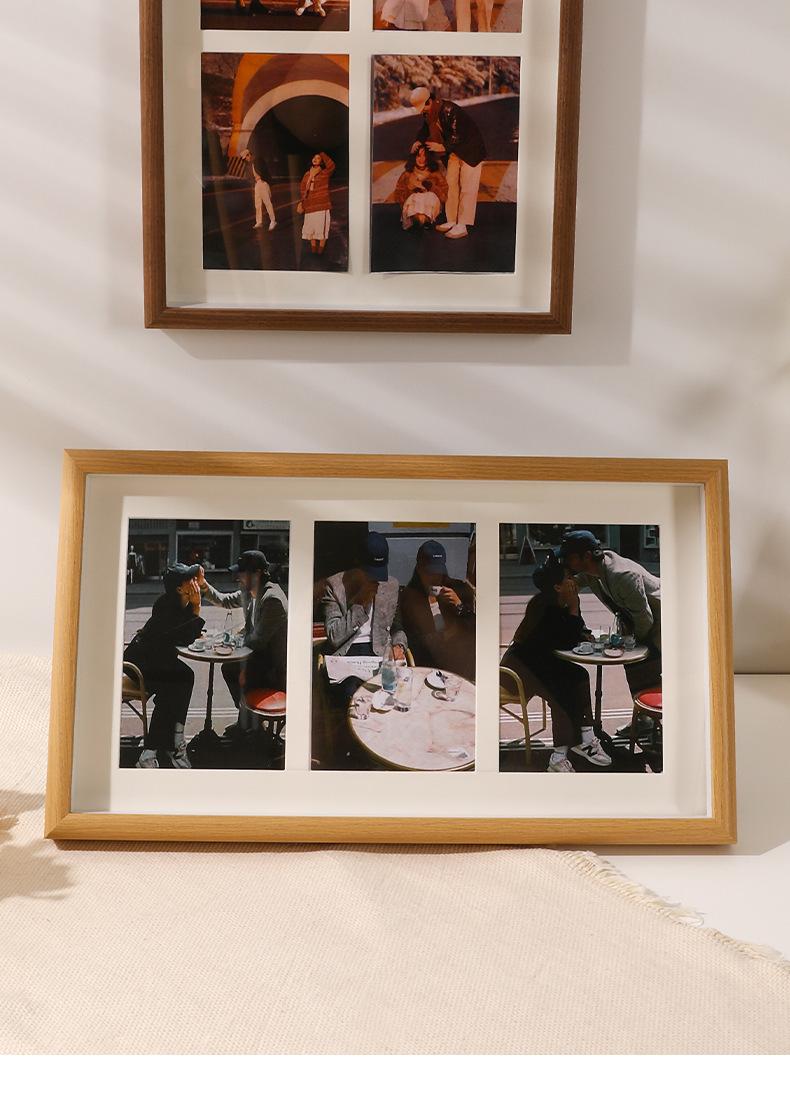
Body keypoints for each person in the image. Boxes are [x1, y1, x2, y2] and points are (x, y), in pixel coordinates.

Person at [501, 556, 611, 772]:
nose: (574, 580)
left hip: (539, 666)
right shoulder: (543, 607)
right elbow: (566, 641)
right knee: (562, 693)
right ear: (557, 587)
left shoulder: (559, 602)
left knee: (579, 675)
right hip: (517, 672)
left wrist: (581, 627)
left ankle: (586, 737)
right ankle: (558, 757)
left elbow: (573, 633)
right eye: (569, 577)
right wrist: (575, 606)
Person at [559, 530, 662, 695]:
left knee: (650, 681)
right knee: (636, 676)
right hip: (638, 623)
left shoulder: (622, 576)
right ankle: (640, 710)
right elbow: (574, 585)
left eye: (570, 558)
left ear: (587, 556)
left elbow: (645, 620)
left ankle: (649, 710)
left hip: (658, 624)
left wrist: (629, 642)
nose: (566, 562)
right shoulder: (592, 570)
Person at [123, 563, 205, 769]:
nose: (194, 582)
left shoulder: (176, 601)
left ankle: (171, 742)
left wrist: (196, 598)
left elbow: (185, 633)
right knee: (175, 686)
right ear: (179, 588)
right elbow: (187, 636)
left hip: (154, 660)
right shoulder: (167, 607)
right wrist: (196, 607)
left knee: (184, 678)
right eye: (190, 579)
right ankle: (156, 750)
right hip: (139, 665)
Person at [198, 550, 288, 734]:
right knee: (229, 668)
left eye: (242, 573)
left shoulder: (273, 600)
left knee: (235, 670)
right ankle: (247, 719)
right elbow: (224, 600)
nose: (237, 577)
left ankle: (251, 724)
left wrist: (230, 644)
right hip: (259, 659)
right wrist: (203, 585)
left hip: (273, 669)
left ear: (257, 574)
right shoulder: (250, 592)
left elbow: (257, 641)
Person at [409, 87, 486, 240]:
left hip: (471, 151)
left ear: (430, 101)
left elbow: (458, 134)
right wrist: (418, 140)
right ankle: (452, 220)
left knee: (467, 187)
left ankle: (463, 224)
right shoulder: (430, 114)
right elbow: (425, 129)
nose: (422, 112)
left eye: (423, 107)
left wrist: (442, 147)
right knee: (450, 185)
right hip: (455, 151)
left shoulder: (450, 110)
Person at [322, 532, 407, 659]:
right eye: (369, 573)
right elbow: (334, 637)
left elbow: (396, 626)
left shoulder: (391, 585)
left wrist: (399, 645)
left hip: (381, 651)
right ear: (358, 565)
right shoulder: (335, 586)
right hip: (347, 652)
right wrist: (359, 604)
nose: (375, 579)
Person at [400, 540, 475, 680]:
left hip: (459, 662)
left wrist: (459, 606)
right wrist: (444, 636)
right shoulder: (408, 598)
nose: (435, 578)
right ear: (419, 570)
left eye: (438, 572)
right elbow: (414, 641)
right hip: (429, 662)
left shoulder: (459, 590)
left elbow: (475, 629)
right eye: (430, 573)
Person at [393, 142, 449, 230]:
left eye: (425, 156)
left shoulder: (436, 174)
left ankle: (423, 222)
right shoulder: (407, 175)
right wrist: (410, 190)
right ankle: (418, 222)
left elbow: (444, 196)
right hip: (413, 209)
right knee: (416, 197)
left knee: (429, 196)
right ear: (414, 157)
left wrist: (432, 187)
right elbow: (398, 196)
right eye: (419, 156)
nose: (422, 159)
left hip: (430, 208)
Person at [299, 152, 336, 255]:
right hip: (310, 205)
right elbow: (302, 189)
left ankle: (320, 251)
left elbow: (332, 165)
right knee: (311, 229)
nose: (315, 159)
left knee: (322, 228)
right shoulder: (307, 174)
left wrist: (322, 153)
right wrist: (303, 202)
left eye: (318, 158)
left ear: (322, 161)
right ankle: (313, 250)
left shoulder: (325, 173)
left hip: (321, 205)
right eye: (314, 157)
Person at [240, 148, 277, 232]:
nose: (245, 160)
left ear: (249, 155)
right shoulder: (249, 164)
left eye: (246, 157)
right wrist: (254, 183)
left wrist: (265, 179)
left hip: (263, 182)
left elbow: (265, 170)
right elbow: (250, 176)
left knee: (267, 202)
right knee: (257, 204)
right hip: (257, 184)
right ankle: (259, 222)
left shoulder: (258, 160)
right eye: (244, 159)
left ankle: (273, 221)